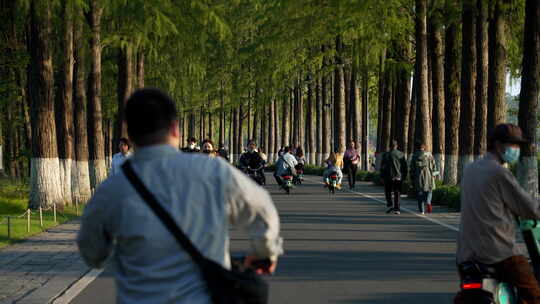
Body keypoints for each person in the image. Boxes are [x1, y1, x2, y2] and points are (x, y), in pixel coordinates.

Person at [77, 88, 283, 304]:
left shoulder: (112, 189)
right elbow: (264, 211)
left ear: (131, 134)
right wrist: (265, 252)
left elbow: (92, 252)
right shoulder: (212, 171)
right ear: (175, 128)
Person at [454, 123, 540, 304]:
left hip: (466, 254)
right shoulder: (499, 173)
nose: (516, 150)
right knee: (532, 293)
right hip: (497, 252)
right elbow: (527, 207)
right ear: (498, 144)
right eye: (513, 145)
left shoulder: (470, 169)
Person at [380, 140, 408, 215]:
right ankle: (397, 209)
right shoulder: (401, 154)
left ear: (389, 146)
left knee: (388, 191)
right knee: (397, 192)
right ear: (397, 146)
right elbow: (404, 167)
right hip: (398, 177)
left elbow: (382, 167)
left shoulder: (386, 155)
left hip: (388, 176)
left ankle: (390, 204)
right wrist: (404, 176)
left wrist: (381, 176)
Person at [410, 142, 438, 215]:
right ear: (424, 147)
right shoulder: (429, 155)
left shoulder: (415, 155)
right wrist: (434, 174)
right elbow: (434, 165)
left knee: (420, 193)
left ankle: (422, 210)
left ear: (417, 148)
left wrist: (412, 177)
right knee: (430, 190)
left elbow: (412, 168)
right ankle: (428, 202)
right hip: (429, 175)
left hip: (418, 176)